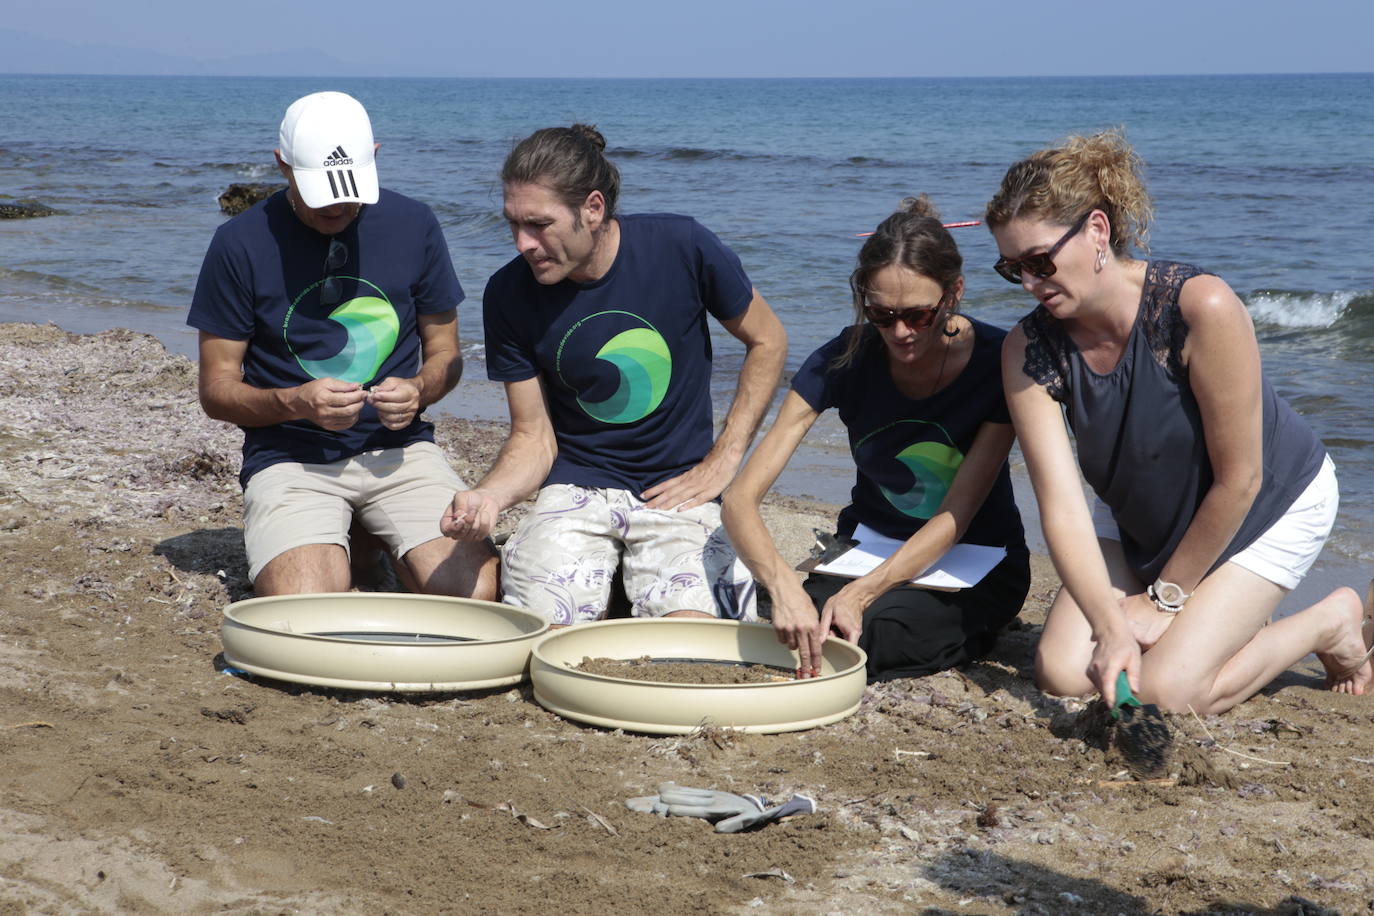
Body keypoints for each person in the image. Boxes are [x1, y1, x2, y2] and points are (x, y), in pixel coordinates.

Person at [985, 129, 1373, 713]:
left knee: (1167, 691)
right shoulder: (1028, 349)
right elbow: (1062, 508)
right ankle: (1221, 611)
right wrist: (1111, 626)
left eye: (1040, 261)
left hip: (1266, 504)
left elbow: (1241, 479)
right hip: (1142, 513)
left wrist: (1164, 601)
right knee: (1062, 673)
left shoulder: (1198, 306)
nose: (1030, 283)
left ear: (1097, 230)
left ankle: (1328, 620)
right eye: (1012, 268)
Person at [441, 124, 786, 625]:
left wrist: (726, 457)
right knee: (544, 631)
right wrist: (490, 496)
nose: (523, 244)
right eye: (513, 224)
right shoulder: (508, 293)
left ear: (593, 209)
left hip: (677, 488)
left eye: (539, 224)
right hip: (577, 487)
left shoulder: (682, 247)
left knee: (695, 636)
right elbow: (533, 437)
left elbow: (768, 340)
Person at [189, 91, 498, 599]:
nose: (336, 204)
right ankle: (349, 537)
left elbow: (446, 354)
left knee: (475, 593)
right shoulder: (239, 242)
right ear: (282, 165)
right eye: (319, 190)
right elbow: (217, 390)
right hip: (290, 457)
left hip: (400, 451)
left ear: (374, 155)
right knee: (307, 606)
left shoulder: (414, 224)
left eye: (349, 187)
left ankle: (369, 534)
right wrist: (295, 402)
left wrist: (419, 390)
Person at [723, 196, 1030, 681]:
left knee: (878, 635)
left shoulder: (997, 361)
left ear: (954, 293)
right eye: (881, 315)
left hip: (975, 556)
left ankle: (977, 625)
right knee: (814, 628)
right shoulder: (843, 358)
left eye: (918, 316)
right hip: (867, 546)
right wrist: (782, 585)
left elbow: (955, 516)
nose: (899, 332)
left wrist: (863, 593)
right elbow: (739, 498)